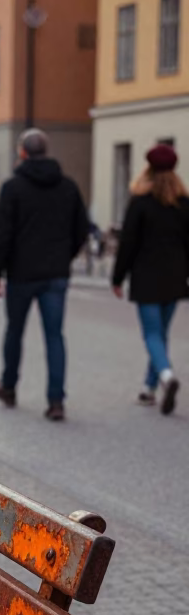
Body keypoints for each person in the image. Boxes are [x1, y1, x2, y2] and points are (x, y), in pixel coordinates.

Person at [0, 128, 89, 421]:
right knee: (55, 336)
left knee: (15, 331)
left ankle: (8, 386)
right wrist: (64, 256)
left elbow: (2, 234)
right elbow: (81, 229)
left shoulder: (13, 187)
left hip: (21, 274)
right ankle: (56, 400)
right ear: (46, 151)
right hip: (56, 274)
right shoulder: (68, 186)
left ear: (22, 152)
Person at [112, 144, 189, 415]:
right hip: (176, 277)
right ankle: (149, 388)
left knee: (152, 334)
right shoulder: (184, 203)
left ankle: (166, 377)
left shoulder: (140, 202)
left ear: (148, 170)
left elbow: (128, 244)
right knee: (161, 333)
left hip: (147, 276)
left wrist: (117, 277)